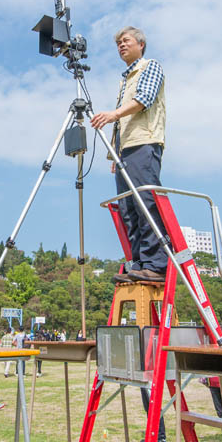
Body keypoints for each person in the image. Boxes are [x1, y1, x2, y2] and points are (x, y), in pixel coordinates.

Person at [90, 26, 168, 284]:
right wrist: (115, 154)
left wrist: (112, 114)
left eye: (126, 41)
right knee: (128, 208)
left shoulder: (150, 66)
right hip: (125, 150)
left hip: (144, 144)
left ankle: (156, 264)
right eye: (118, 44)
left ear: (141, 44)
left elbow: (144, 99)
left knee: (145, 202)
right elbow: (122, 121)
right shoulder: (124, 80)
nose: (121, 46)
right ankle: (139, 263)